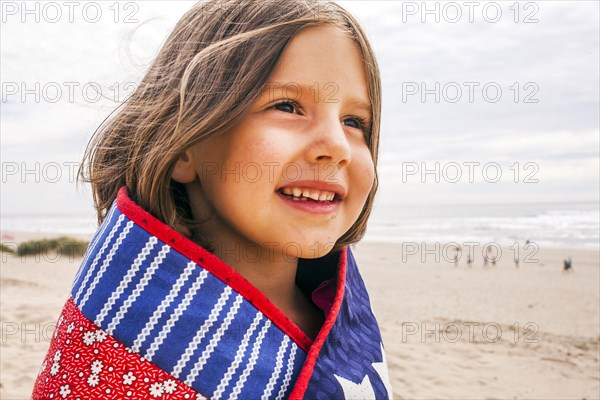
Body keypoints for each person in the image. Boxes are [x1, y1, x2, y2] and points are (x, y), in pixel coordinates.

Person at [31, 1, 393, 399]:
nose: (338, 147)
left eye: (354, 121)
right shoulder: (117, 346)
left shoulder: (334, 303)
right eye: (287, 106)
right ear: (184, 146)